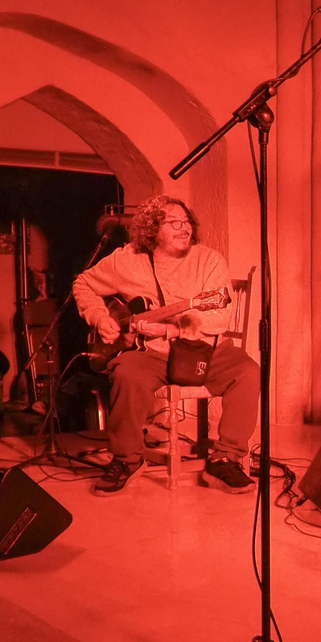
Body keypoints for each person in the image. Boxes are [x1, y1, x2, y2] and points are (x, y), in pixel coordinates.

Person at [72, 195, 258, 497]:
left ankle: (226, 458)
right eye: (174, 223)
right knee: (126, 373)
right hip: (152, 354)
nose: (185, 228)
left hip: (203, 349)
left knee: (247, 371)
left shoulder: (209, 260)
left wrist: (175, 328)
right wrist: (98, 317)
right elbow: (83, 283)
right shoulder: (127, 260)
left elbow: (221, 314)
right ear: (152, 228)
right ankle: (127, 459)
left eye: (187, 222)